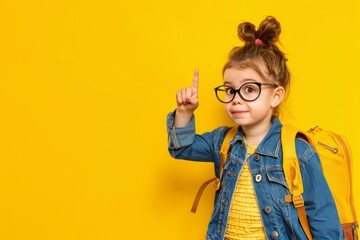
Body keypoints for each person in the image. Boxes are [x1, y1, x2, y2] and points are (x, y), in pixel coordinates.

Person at [166, 16, 343, 239]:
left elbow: (324, 218)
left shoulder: (298, 151)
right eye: (230, 90)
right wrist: (184, 112)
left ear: (276, 96)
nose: (236, 99)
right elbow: (181, 148)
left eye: (249, 89)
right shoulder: (222, 142)